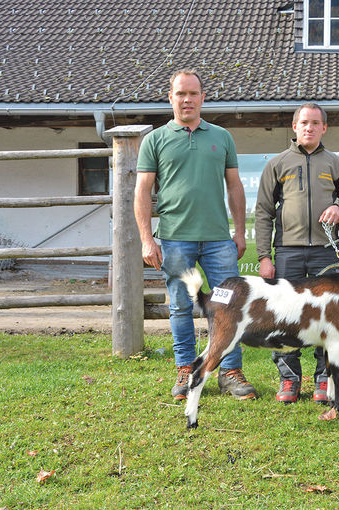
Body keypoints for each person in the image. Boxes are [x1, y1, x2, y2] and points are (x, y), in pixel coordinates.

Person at [134, 69, 256, 401]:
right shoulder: (155, 140)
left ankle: (230, 372)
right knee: (180, 307)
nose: (187, 99)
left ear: (203, 97)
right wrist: (147, 239)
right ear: (170, 97)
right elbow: (142, 192)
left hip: (219, 239)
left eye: (193, 93)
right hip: (175, 239)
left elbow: (234, 187)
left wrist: (241, 232)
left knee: (228, 307)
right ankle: (186, 369)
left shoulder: (222, 137)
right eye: (180, 94)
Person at [255, 102, 339, 404]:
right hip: (287, 253)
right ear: (294, 126)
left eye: (315, 123)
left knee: (326, 319)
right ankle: (289, 380)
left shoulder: (335, 164)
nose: (309, 128)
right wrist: (264, 257)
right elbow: (263, 212)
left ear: (324, 128)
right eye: (304, 123)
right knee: (285, 318)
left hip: (325, 255)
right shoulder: (277, 164)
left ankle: (322, 379)